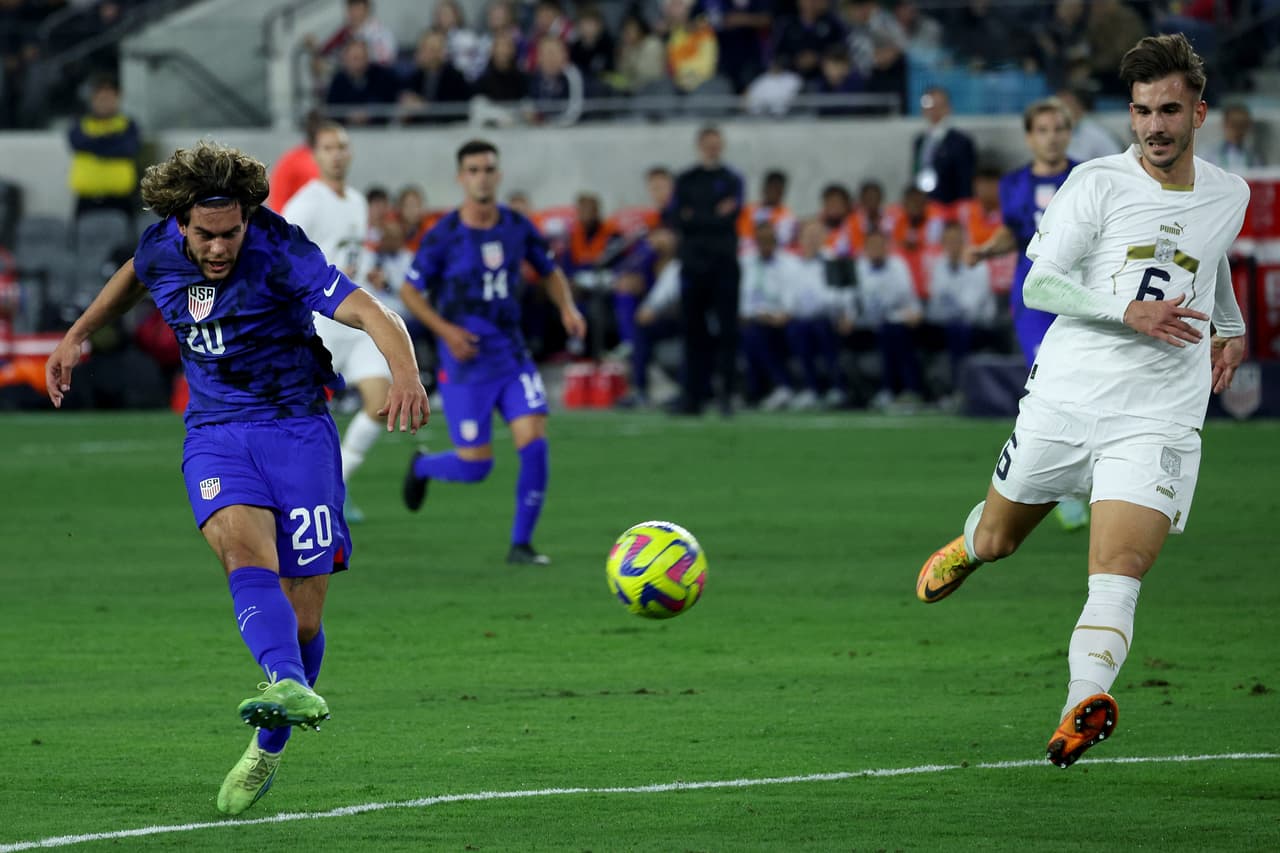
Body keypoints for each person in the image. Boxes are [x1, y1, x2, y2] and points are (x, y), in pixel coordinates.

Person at [43, 140, 428, 814]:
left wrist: (406, 370)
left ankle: (269, 745)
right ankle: (283, 680)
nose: (219, 248)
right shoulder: (162, 244)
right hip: (217, 433)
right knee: (239, 550)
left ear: (247, 219)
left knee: (304, 610)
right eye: (205, 236)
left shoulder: (280, 249)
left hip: (297, 428)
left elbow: (371, 310)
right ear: (182, 225)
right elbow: (134, 273)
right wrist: (78, 332)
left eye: (230, 233)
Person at [916, 34, 1250, 770]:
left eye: (1168, 110)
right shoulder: (1096, 183)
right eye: (1141, 112)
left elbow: (1212, 252)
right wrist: (1125, 309)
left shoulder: (1231, 192)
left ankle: (1081, 703)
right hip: (1068, 396)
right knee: (1002, 537)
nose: (1155, 126)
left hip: (1160, 411)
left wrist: (1228, 325)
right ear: (1129, 116)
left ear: (1199, 112)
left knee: (1119, 565)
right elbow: (1040, 284)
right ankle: (970, 546)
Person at [399, 139, 586, 565]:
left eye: (488, 169)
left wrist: (568, 308)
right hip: (466, 366)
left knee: (534, 443)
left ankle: (521, 544)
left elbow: (548, 270)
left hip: (512, 355)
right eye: (474, 170)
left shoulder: (517, 226)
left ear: (498, 175)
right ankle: (423, 466)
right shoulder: (444, 235)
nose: (482, 177)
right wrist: (447, 332)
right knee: (474, 467)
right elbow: (410, 291)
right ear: (461, 178)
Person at [967, 97, 1089, 531]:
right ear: (1029, 136)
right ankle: (1062, 488)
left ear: (1068, 133)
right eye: (1043, 129)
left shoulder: (1087, 177)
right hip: (1036, 299)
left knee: (1085, 387)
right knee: (1053, 386)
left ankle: (1075, 479)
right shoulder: (1014, 184)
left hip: (1082, 296)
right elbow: (1013, 233)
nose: (1052, 136)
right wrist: (986, 249)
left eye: (1059, 128)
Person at [282, 121, 385, 523]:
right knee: (303, 420)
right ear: (316, 155)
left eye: (342, 146)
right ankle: (296, 497)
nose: (337, 154)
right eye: (328, 148)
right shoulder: (307, 202)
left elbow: (351, 255)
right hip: (320, 324)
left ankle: (335, 486)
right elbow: (281, 251)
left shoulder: (357, 201)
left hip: (354, 326)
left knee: (380, 404)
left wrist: (370, 273)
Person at [666, 124, 744, 416]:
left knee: (727, 332)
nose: (713, 147)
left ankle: (726, 395)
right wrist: (710, 215)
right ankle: (693, 396)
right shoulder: (686, 179)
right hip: (693, 265)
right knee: (692, 331)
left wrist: (697, 217)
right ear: (700, 145)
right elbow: (677, 218)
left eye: (717, 143)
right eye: (708, 143)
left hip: (724, 264)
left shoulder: (731, 179)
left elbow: (729, 217)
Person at [66, 73, 140, 221]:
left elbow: (128, 148)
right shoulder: (79, 124)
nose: (104, 103)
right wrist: (112, 141)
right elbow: (77, 142)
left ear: (117, 99)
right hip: (87, 198)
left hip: (121, 198)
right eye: (100, 98)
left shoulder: (129, 124)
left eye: (109, 98)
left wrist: (95, 145)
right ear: (92, 100)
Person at [912, 86, 976, 206]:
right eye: (930, 106)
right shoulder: (919, 141)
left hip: (949, 209)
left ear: (948, 108)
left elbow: (965, 183)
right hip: (924, 208)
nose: (934, 111)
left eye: (939, 106)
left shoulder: (961, 142)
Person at [267, 110, 322, 213]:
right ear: (306, 127)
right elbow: (278, 198)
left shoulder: (329, 160)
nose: (315, 129)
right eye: (312, 124)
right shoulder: (291, 160)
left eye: (318, 124)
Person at [1206, 102, 1262, 174]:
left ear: (1248, 127)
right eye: (1233, 124)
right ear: (1224, 124)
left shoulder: (1255, 158)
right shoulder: (1209, 156)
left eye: (1242, 125)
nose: (1237, 130)